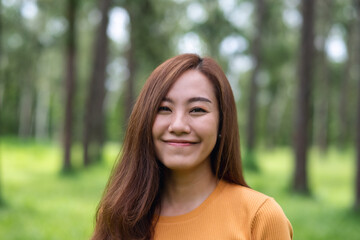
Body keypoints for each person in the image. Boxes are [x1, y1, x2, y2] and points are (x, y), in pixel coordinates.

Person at [91, 54, 293, 240]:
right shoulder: (118, 215)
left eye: (197, 110)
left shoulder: (260, 218)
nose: (178, 125)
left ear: (222, 122)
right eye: (164, 108)